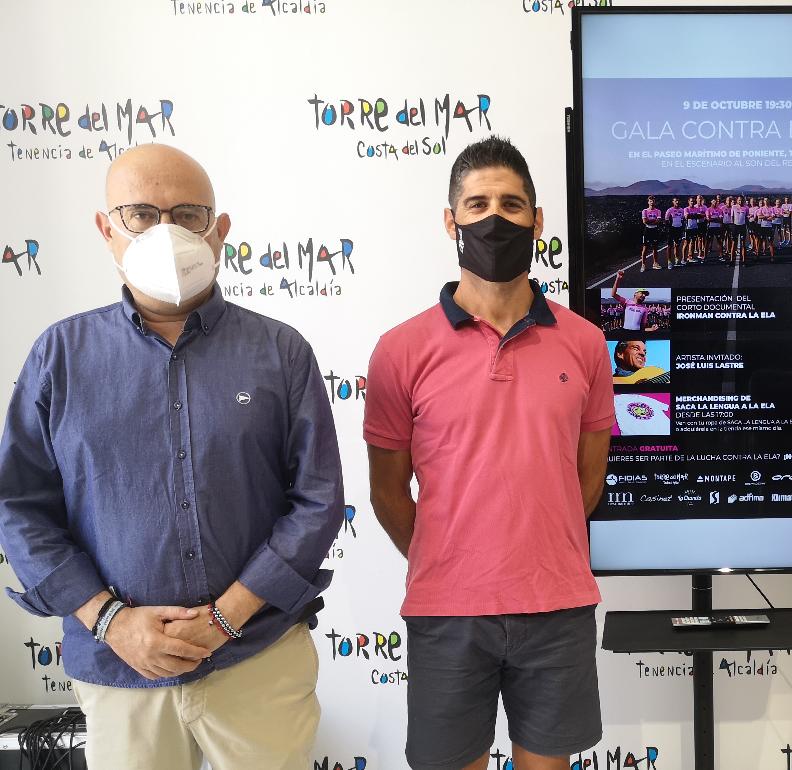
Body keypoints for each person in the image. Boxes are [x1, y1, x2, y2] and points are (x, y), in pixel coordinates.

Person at [0, 144, 344, 770]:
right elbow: (20, 509)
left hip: (257, 660)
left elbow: (317, 501)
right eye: (139, 214)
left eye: (187, 215)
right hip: (117, 670)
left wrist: (226, 617)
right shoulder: (59, 357)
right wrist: (111, 622)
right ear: (106, 230)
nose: (164, 232)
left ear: (220, 232)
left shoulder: (281, 352)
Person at [364, 136, 615, 770]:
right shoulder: (400, 351)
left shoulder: (585, 344)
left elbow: (588, 480)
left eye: (511, 203)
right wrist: (453, 554)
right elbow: (388, 492)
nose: (494, 218)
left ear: (536, 219)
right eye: (476, 204)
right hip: (447, 612)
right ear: (451, 221)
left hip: (557, 605)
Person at [639, 195, 663, 272]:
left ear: (655, 202)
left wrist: (650, 220)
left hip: (655, 230)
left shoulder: (658, 211)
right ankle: (643, 265)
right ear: (648, 202)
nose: (652, 202)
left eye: (653, 201)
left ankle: (655, 263)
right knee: (645, 248)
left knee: (655, 248)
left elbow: (658, 221)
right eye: (650, 201)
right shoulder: (644, 211)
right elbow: (645, 221)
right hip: (647, 230)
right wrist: (653, 220)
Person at [665, 196, 684, 269]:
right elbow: (666, 220)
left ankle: (677, 259)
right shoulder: (670, 210)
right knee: (669, 246)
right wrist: (669, 229)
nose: (677, 202)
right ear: (673, 202)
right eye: (675, 201)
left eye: (678, 201)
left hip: (678, 229)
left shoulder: (681, 210)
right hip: (671, 230)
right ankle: (669, 262)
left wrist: (682, 228)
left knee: (677, 245)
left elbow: (682, 219)